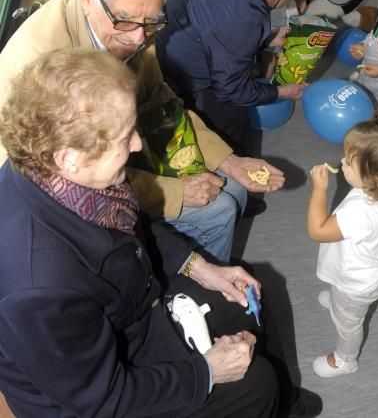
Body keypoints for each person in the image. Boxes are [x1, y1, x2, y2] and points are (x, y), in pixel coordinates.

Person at [0, 47, 323, 417]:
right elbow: (101, 399)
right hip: (102, 393)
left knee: (245, 291)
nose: (138, 144)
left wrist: (199, 266)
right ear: (69, 158)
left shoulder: (59, 173)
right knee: (254, 385)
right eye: (125, 139)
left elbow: (135, 227)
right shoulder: (39, 287)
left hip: (131, 306)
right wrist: (207, 372)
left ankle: (284, 402)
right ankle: (270, 398)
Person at [0, 0, 285, 262]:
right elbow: (69, 176)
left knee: (232, 187)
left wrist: (229, 160)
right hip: (52, 187)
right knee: (218, 210)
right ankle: (184, 287)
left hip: (111, 147)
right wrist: (174, 192)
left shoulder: (135, 23)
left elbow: (162, 104)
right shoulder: (43, 63)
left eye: (152, 22)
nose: (139, 38)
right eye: (124, 20)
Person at [156, 0, 307, 154]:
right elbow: (231, 91)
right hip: (178, 79)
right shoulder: (245, 15)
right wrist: (281, 92)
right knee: (235, 123)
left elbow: (212, 24)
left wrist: (262, 39)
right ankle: (236, 176)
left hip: (165, 44)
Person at [307, 112, 378, 377]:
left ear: (374, 179)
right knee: (345, 305)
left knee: (348, 323)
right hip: (366, 272)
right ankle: (342, 304)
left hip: (355, 283)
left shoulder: (362, 211)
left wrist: (319, 190)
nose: (341, 162)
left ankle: (346, 360)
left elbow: (317, 230)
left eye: (348, 162)